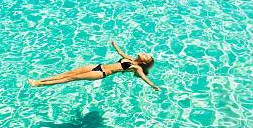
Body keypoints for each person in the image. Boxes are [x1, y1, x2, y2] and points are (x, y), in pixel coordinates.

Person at [29, 40, 160, 91]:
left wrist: (153, 85)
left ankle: (39, 84)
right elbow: (120, 52)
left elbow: (143, 77)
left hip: (100, 73)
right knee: (66, 74)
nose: (145, 53)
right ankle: (39, 80)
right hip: (97, 66)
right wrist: (114, 44)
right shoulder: (130, 58)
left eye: (147, 56)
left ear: (144, 62)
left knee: (70, 79)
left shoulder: (136, 67)